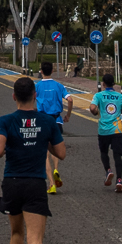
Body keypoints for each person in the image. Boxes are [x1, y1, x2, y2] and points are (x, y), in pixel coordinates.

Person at [0, 77, 65, 244]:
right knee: (35, 240)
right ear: (35, 95)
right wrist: (44, 141)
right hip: (35, 183)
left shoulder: (5, 120)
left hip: (12, 182)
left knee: (16, 234)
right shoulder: (47, 122)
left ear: (14, 96)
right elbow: (61, 153)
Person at [34, 62, 72, 195]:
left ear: (41, 71)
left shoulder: (37, 86)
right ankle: (56, 169)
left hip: (43, 120)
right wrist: (67, 115)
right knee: (56, 147)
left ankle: (51, 183)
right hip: (57, 120)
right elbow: (70, 99)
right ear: (52, 71)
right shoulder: (59, 86)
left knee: (45, 153)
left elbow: (31, 99)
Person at [90, 73, 122, 192]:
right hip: (117, 129)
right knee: (117, 155)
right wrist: (119, 110)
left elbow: (93, 108)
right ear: (114, 84)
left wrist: (95, 112)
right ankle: (119, 180)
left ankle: (108, 170)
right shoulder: (119, 96)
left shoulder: (99, 95)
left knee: (104, 152)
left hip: (103, 130)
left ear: (103, 84)